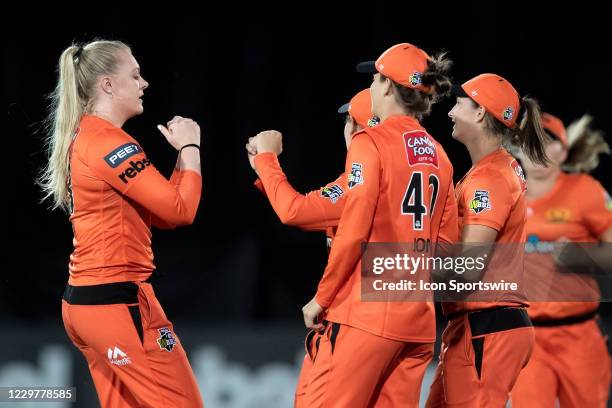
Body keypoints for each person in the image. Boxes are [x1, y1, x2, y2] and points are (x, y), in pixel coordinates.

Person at [289, 42, 458, 407]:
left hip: (367, 317)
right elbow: (447, 250)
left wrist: (322, 297)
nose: (371, 87)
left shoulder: (371, 141)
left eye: (375, 78)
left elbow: (354, 230)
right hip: (417, 324)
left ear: (384, 85)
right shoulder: (441, 157)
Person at [38, 40, 204, 407]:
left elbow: (164, 215)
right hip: (117, 304)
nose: (144, 83)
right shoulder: (110, 143)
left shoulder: (88, 136)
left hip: (88, 304)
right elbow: (182, 211)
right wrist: (191, 148)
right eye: (135, 74)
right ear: (108, 85)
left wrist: (181, 159)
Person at [246, 89, 376, 407]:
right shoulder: (415, 167)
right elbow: (304, 213)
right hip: (400, 313)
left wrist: (267, 160)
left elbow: (295, 212)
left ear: (358, 131)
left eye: (350, 122)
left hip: (357, 318)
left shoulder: (358, 181)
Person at [426, 73, 550, 407]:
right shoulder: (491, 170)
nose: (451, 111)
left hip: (488, 327)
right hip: (477, 327)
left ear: (480, 113)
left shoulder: (490, 177)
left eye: (459, 102)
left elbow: (467, 269)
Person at [511, 112, 611, 407]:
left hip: (579, 336)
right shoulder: (503, 193)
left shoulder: (586, 191)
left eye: (548, 141)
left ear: (563, 151)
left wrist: (582, 257)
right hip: (526, 338)